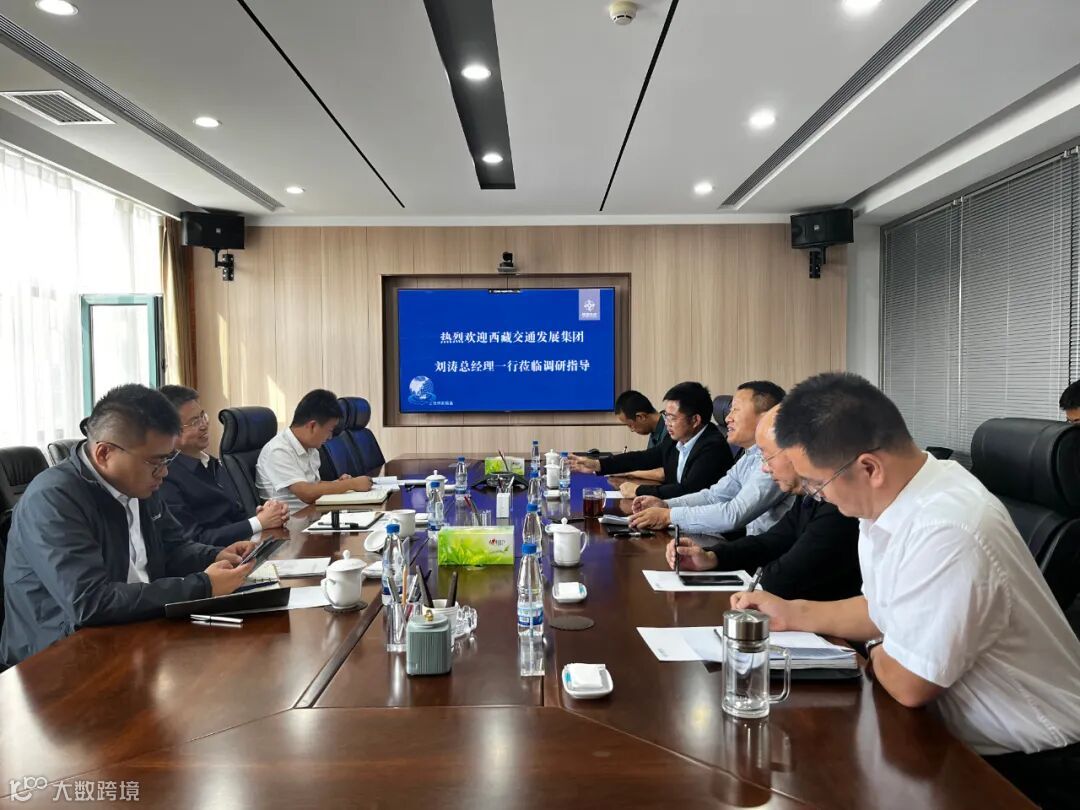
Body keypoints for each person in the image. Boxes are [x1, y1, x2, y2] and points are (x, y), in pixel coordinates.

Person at [731, 372, 1080, 809]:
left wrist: (878, 642)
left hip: (1030, 766)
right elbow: (881, 606)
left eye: (817, 485)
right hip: (953, 737)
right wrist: (791, 612)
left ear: (869, 468)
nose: (818, 498)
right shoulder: (893, 500)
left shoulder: (948, 527)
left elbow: (909, 682)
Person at [1, 384, 257, 667]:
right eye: (156, 461)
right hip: (58, 659)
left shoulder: (139, 483)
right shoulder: (53, 499)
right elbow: (90, 602)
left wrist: (215, 555)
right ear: (104, 454)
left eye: (168, 458)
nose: (164, 472)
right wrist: (203, 586)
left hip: (133, 631)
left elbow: (173, 548)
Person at [666, 405, 861, 601]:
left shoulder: (840, 504)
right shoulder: (809, 495)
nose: (765, 468)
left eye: (768, 457)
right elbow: (772, 541)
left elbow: (786, 577)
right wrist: (712, 557)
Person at [630, 381, 792, 535]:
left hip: (767, 551)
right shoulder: (750, 455)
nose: (728, 418)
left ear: (767, 417)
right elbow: (714, 496)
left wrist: (669, 516)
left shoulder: (776, 462)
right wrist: (666, 505)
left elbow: (733, 514)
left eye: (735, 410)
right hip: (749, 547)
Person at [158, 385, 289, 546]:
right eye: (194, 422)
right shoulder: (165, 476)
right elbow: (193, 540)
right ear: (169, 431)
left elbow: (234, 515)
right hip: (216, 558)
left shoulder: (212, 463)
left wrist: (265, 514)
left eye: (202, 416)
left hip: (244, 548)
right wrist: (258, 522)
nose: (204, 425)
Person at [569, 382, 734, 499]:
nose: (667, 423)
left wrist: (639, 490)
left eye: (672, 417)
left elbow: (689, 491)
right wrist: (598, 464)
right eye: (666, 416)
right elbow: (644, 457)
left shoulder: (713, 447)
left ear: (695, 420)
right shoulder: (677, 439)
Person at [256, 389, 372, 512]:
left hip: (312, 514)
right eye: (330, 430)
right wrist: (351, 484)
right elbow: (306, 493)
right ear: (312, 426)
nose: (330, 437)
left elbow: (314, 485)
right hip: (292, 520)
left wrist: (338, 483)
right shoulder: (279, 450)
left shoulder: (311, 448)